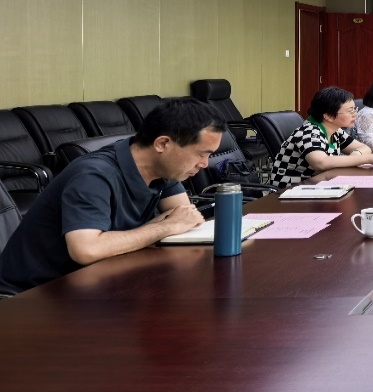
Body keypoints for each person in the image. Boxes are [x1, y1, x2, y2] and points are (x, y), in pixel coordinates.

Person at [0, 98, 222, 295]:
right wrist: (164, 227)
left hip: (94, 281)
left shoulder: (164, 168)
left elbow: (184, 217)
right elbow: (86, 250)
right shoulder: (93, 175)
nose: (204, 164)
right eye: (201, 154)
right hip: (32, 296)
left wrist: (170, 225)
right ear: (162, 144)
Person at [269, 87, 373, 188]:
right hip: (290, 192)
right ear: (329, 116)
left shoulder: (335, 130)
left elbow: (364, 147)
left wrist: (355, 156)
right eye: (350, 111)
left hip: (317, 187)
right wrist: (367, 159)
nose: (355, 114)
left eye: (354, 109)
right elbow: (321, 162)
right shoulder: (308, 132)